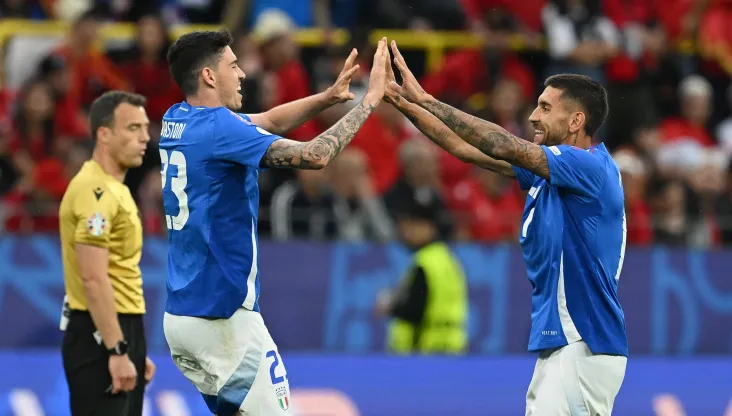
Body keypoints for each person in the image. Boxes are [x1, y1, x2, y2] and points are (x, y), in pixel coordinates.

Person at [384, 43, 628, 415]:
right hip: (567, 347)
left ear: (576, 121)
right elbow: (465, 149)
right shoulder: (556, 174)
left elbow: (502, 144)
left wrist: (428, 100)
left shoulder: (587, 167)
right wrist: (406, 105)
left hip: (584, 343)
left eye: (545, 107)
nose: (533, 116)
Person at [159, 29, 389, 415]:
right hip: (224, 317)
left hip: (181, 319)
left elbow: (265, 120)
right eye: (233, 66)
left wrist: (328, 97)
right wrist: (368, 102)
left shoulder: (176, 119)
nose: (243, 74)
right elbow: (315, 155)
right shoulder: (220, 128)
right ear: (209, 77)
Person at [59, 91, 156, 416]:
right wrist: (115, 348)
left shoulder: (115, 189)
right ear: (104, 134)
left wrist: (130, 347)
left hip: (118, 328)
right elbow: (93, 278)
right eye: (132, 128)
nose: (145, 137)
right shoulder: (95, 192)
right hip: (98, 335)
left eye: (145, 127)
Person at [375, 191, 468, 355]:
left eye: (412, 225)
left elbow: (416, 309)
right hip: (452, 346)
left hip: (428, 348)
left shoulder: (424, 262)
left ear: (429, 227)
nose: (406, 232)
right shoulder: (447, 258)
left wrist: (391, 307)